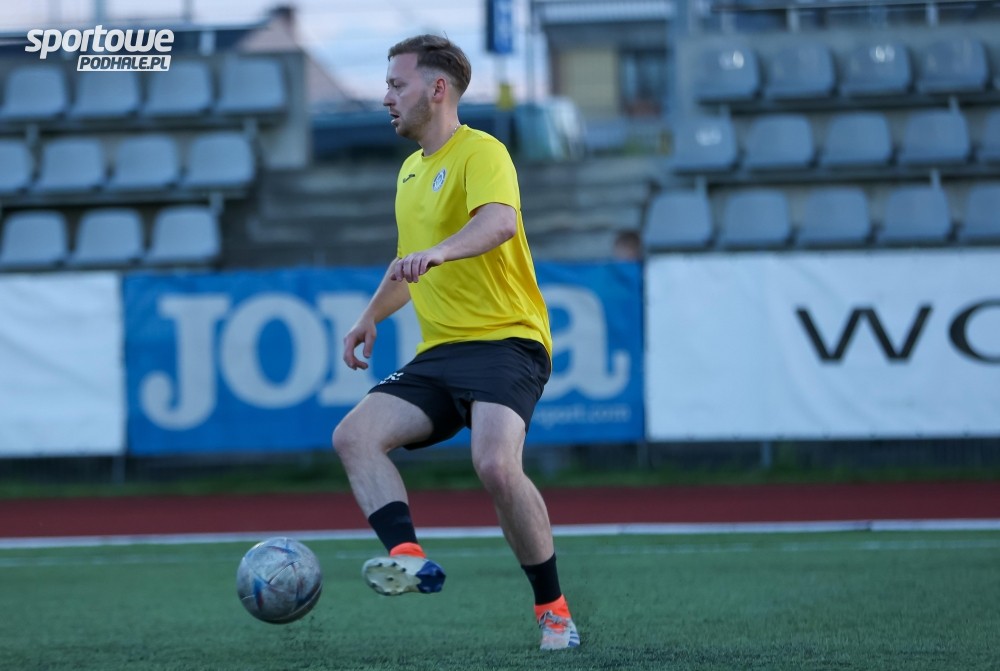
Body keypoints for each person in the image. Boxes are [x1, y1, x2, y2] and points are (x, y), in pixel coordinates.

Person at [332, 34, 580, 651]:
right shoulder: (409, 171)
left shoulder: (482, 150)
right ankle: (408, 557)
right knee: (353, 437)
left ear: (437, 89)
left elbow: (500, 221)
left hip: (506, 341)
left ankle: (553, 611)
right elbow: (406, 264)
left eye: (397, 85)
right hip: (441, 353)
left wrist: (441, 251)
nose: (386, 97)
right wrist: (370, 317)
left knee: (495, 465)